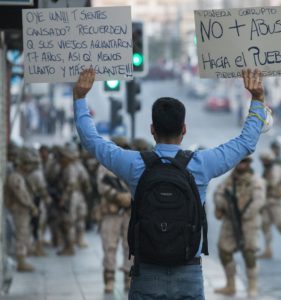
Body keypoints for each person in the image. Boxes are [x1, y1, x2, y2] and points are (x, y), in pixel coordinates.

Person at [73, 68, 268, 299]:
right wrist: (257, 99)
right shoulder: (200, 165)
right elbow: (246, 143)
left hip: (146, 273)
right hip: (189, 273)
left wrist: (80, 98)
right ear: (184, 130)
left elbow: (92, 142)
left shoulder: (134, 165)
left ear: (152, 130)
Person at [213, 156, 266, 297]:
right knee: (223, 250)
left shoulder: (255, 181)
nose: (241, 165)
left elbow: (258, 202)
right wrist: (225, 206)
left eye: (244, 162)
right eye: (239, 162)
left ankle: (252, 287)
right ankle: (231, 285)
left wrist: (244, 215)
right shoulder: (229, 180)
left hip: (248, 223)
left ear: (248, 163)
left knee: (249, 253)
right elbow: (218, 194)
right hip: (230, 222)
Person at [96, 136, 133, 293]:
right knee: (109, 246)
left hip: (130, 212)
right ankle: (109, 278)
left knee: (130, 246)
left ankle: (129, 278)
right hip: (111, 211)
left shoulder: (133, 164)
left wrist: (130, 198)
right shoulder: (105, 166)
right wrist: (117, 196)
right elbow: (101, 186)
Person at [4, 148, 39, 272]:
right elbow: (21, 195)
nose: (29, 167)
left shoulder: (20, 176)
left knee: (24, 234)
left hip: (22, 211)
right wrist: (31, 206)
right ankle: (21, 261)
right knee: (21, 234)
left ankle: (22, 258)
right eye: (27, 163)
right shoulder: (15, 177)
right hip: (18, 211)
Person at [25, 148, 52, 256]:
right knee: (39, 226)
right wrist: (48, 200)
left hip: (32, 201)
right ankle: (38, 249)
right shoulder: (37, 174)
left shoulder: (30, 173)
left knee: (34, 226)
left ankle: (34, 247)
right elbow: (43, 190)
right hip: (37, 202)